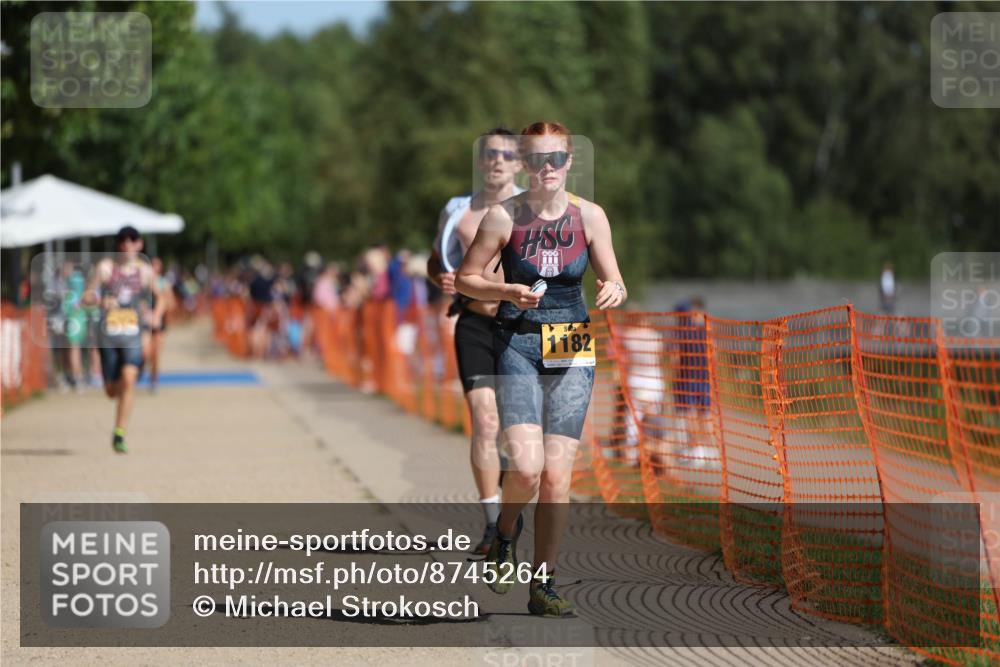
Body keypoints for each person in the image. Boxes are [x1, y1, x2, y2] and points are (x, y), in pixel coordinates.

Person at [456, 121, 627, 617]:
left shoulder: (591, 217)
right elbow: (468, 279)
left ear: (570, 161)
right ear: (526, 164)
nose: (546, 167)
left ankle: (544, 583)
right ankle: (506, 532)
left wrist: (614, 289)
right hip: (518, 345)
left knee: (556, 478)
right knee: (527, 470)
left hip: (572, 349)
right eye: (537, 159)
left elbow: (614, 277)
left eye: (556, 158)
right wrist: (506, 291)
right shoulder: (502, 217)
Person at [427, 128, 523, 554]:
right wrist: (441, 278)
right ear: (480, 161)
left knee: (519, 433)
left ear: (520, 163)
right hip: (474, 324)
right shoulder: (457, 210)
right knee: (484, 420)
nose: (497, 161)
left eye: (506, 155)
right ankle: (490, 524)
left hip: (521, 328)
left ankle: (510, 517)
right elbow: (436, 261)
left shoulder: (534, 210)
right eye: (490, 154)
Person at [83, 226, 163, 453]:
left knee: (129, 378)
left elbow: (161, 298)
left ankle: (120, 432)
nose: (127, 245)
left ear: (139, 244)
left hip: (133, 336)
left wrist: (155, 316)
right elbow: (86, 297)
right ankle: (116, 393)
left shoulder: (145, 272)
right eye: (123, 241)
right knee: (111, 391)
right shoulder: (106, 268)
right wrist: (100, 301)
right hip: (108, 335)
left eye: (132, 240)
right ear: (118, 244)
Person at [146, 257, 174, 393]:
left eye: (157, 266)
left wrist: (161, 302)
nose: (154, 268)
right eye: (152, 265)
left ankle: (154, 379)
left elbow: (171, 303)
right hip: (145, 322)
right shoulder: (143, 282)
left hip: (159, 323)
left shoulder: (164, 283)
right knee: (146, 352)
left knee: (156, 353)